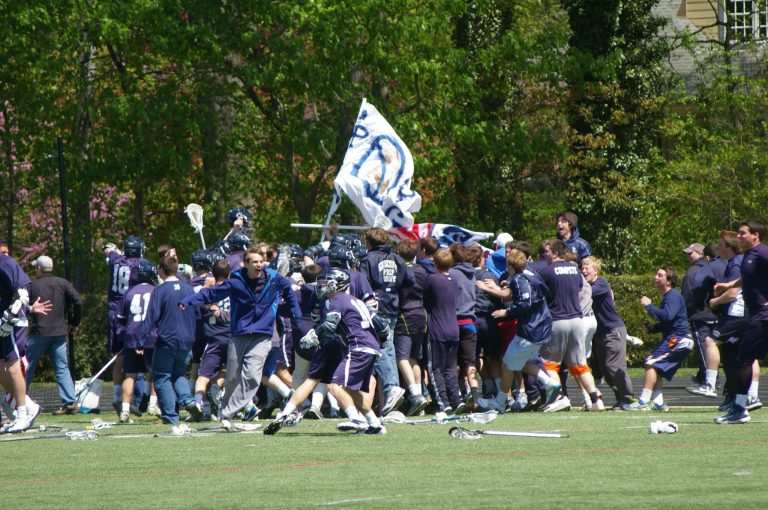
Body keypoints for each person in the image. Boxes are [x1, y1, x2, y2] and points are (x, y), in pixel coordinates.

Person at [179, 246, 302, 430]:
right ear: (246, 264)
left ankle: (228, 412)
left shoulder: (274, 278)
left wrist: (296, 316)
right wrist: (188, 301)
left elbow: (289, 293)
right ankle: (224, 414)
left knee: (252, 376)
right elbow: (212, 293)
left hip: (262, 336)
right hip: (239, 335)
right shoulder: (236, 280)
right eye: (254, 262)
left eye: (261, 261)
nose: (259, 265)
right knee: (232, 377)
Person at [476, 249, 561, 413]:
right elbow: (543, 292)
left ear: (510, 266)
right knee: (520, 363)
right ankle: (547, 382)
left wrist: (506, 312)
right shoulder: (531, 273)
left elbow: (524, 303)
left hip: (531, 329)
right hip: (543, 325)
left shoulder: (518, 279)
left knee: (508, 364)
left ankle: (500, 402)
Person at [537, 239, 604, 412]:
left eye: (548, 252)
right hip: (576, 320)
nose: (545, 255)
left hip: (558, 320)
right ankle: (596, 400)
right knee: (579, 363)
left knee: (550, 364)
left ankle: (560, 399)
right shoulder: (575, 269)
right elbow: (582, 287)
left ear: (556, 253)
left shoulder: (547, 271)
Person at [713, 220, 768, 424]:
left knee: (743, 360)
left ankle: (739, 409)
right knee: (742, 357)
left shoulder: (763, 253)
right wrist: (728, 284)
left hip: (763, 317)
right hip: (757, 316)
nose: (739, 236)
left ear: (756, 235)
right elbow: (747, 278)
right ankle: (740, 407)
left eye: (742, 233)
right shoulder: (747, 257)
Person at [139, 256, 200, 425]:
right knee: (178, 374)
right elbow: (197, 314)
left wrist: (140, 340)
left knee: (161, 377)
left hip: (167, 340)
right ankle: (189, 402)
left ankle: (170, 416)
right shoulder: (189, 289)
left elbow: (151, 316)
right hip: (187, 340)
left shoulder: (160, 290)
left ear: (161, 270)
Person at [358, 227, 413, 416]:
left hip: (375, 310)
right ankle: (390, 401)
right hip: (392, 307)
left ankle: (391, 389)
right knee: (388, 349)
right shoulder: (397, 258)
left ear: (369, 242)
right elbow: (409, 280)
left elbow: (362, 285)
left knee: (381, 349)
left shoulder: (368, 259)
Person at [25, 255, 82, 415]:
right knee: (62, 368)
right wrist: (74, 323)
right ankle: (69, 401)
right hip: (59, 332)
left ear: (39, 269)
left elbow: (23, 306)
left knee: (26, 367)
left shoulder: (32, 285)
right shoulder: (62, 283)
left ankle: (19, 400)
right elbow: (77, 301)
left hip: (39, 333)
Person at [630, 266, 693, 411]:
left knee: (651, 362)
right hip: (676, 337)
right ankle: (658, 402)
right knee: (655, 367)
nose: (655, 278)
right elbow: (669, 321)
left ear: (669, 280)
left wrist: (649, 306)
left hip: (679, 339)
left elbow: (667, 316)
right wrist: (654, 328)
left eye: (660, 275)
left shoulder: (672, 296)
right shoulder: (669, 296)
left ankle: (643, 401)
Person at [580, 257, 635, 409]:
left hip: (613, 330)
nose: (583, 271)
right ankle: (622, 398)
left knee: (614, 365)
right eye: (582, 268)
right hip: (600, 332)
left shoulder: (601, 284)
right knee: (605, 368)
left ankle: (628, 398)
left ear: (596, 271)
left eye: (587, 268)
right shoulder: (589, 286)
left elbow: (586, 293)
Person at [103, 236, 150, 411]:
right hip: (133, 311)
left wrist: (116, 251)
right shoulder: (142, 264)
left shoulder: (116, 259)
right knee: (142, 354)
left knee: (120, 356)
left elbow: (107, 250)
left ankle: (117, 395)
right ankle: (143, 398)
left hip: (114, 312)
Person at [116, 260, 158, 423]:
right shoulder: (156, 291)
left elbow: (121, 319)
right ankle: (153, 404)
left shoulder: (129, 292)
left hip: (132, 336)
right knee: (155, 372)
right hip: (151, 336)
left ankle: (125, 409)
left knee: (130, 374)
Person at [423, 249, 462, 415]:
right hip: (454, 329)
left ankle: (443, 402)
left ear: (435, 263)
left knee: (435, 368)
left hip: (437, 330)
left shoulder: (432, 279)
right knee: (450, 368)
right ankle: (456, 400)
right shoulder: (454, 280)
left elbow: (425, 300)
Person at [0, 253, 35, 432]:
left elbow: (23, 293)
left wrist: (10, 318)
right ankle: (28, 405)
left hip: (11, 323)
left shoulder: (4, 262)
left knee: (13, 367)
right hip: (2, 323)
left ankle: (22, 414)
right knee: (1, 370)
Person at [681, 242, 718, 386]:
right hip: (715, 313)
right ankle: (704, 375)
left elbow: (687, 295)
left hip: (699, 314)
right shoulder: (714, 267)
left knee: (704, 347)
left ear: (701, 254)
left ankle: (709, 379)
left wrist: (687, 311)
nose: (688, 256)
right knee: (713, 346)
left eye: (691, 253)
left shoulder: (693, 271)